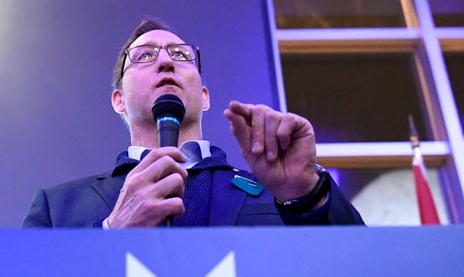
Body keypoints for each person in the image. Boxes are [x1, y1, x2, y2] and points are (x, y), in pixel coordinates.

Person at [22, 19, 364, 228]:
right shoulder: (58, 207)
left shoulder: (275, 195)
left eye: (181, 54)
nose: (166, 62)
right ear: (119, 101)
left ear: (204, 96)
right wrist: (111, 234)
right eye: (143, 57)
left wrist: (306, 194)